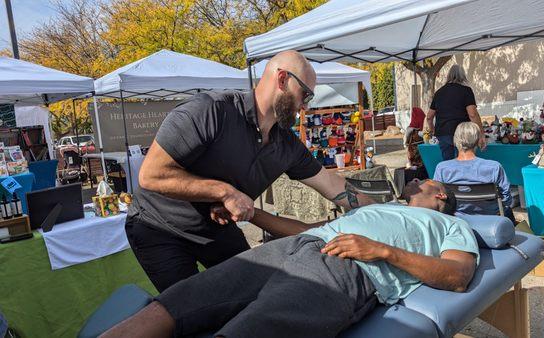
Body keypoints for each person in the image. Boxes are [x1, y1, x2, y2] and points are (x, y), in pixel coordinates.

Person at [101, 179, 479, 338]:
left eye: (423, 183)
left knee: (249, 329)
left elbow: (458, 275)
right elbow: (303, 229)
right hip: (296, 247)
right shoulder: (379, 207)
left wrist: (382, 251)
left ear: (440, 194)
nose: (415, 183)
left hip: (347, 268)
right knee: (180, 300)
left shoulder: (449, 224)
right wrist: (251, 214)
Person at [127, 50, 373, 292]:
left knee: (253, 293)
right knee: (188, 307)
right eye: (305, 95)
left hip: (216, 228)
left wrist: (385, 211)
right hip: (159, 225)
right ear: (282, 79)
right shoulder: (210, 111)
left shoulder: (286, 145)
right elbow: (150, 175)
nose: (305, 106)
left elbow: (332, 185)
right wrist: (225, 192)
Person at [434, 122, 516, 224]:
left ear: (455, 141)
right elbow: (507, 199)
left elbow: (437, 197)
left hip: (456, 220)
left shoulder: (442, 168)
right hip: (492, 220)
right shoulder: (494, 167)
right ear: (477, 140)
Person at [426, 65, 485, 161]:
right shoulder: (466, 91)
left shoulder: (439, 93)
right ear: (463, 76)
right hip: (461, 133)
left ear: (449, 76)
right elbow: (472, 114)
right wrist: (481, 133)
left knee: (448, 164)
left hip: (443, 133)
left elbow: (429, 117)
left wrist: (432, 130)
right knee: (464, 163)